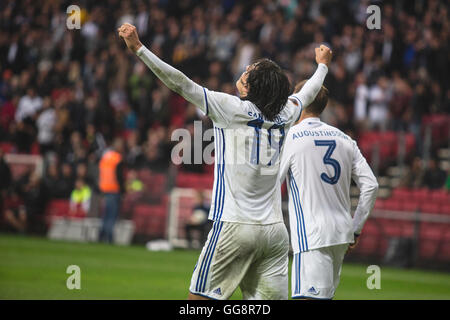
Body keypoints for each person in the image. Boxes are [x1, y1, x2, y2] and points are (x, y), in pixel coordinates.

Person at [118, 23, 331, 300]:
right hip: (275, 233)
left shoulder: (230, 108)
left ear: (252, 87)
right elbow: (310, 91)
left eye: (248, 73)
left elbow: (180, 83)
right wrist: (323, 65)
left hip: (234, 226)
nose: (243, 73)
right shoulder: (287, 114)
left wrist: (139, 49)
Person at [279, 80, 379, 300]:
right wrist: (356, 228)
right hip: (341, 233)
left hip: (311, 235)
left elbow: (272, 184)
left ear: (300, 100)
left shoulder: (290, 137)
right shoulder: (345, 140)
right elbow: (371, 185)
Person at [98, 138, 125, 243]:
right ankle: (109, 238)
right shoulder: (117, 158)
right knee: (112, 216)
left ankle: (101, 236)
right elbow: (119, 176)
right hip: (114, 189)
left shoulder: (105, 157)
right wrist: (123, 190)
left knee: (105, 215)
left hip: (104, 189)